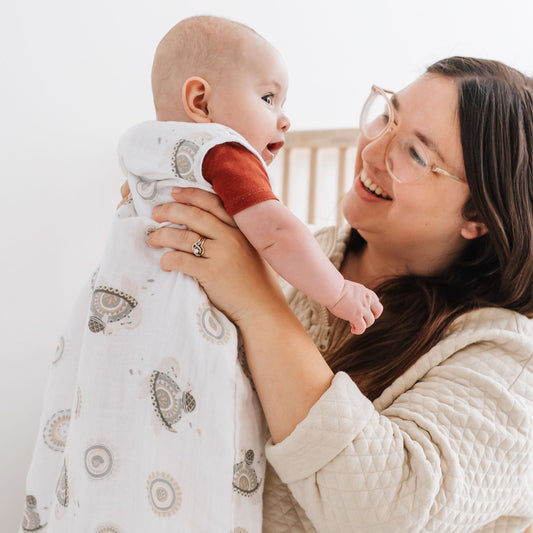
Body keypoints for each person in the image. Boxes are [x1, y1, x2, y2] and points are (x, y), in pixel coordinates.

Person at [20, 15, 382, 533]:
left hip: (110, 323)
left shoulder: (143, 147)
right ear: (201, 102)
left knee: (114, 436)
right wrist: (339, 291)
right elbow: (277, 232)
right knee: (194, 446)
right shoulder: (223, 149)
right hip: (180, 327)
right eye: (268, 98)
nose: (284, 120)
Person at [144, 57, 533, 532]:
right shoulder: (285, 254)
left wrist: (259, 304)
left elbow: (387, 513)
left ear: (480, 216)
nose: (372, 152)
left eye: (414, 154)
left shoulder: (509, 363)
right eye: (388, 116)